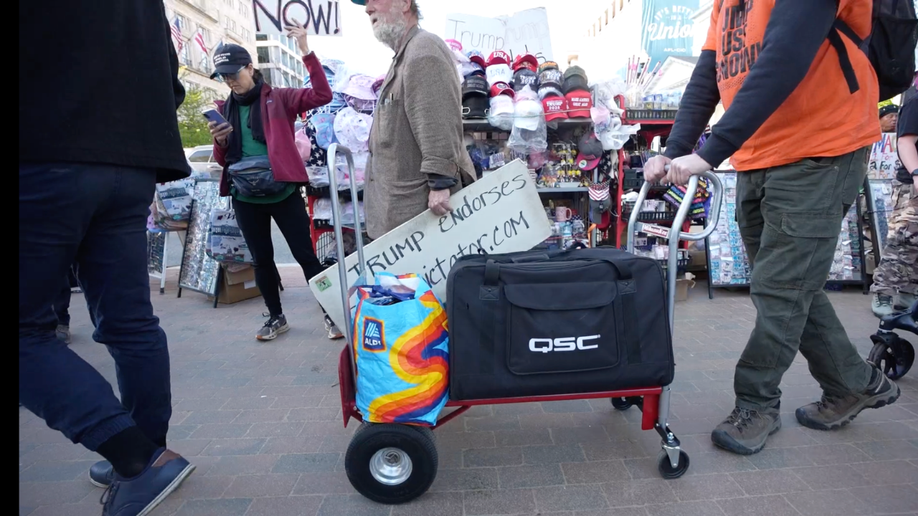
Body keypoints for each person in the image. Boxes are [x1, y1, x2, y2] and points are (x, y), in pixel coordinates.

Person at [644, 0, 899, 456]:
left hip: (821, 148)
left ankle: (756, 404)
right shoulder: (726, 4)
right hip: (760, 153)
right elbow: (708, 76)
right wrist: (675, 148)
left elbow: (786, 55)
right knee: (790, 284)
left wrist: (710, 151)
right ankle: (854, 383)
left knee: (780, 288)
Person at [20, 0, 195, 513]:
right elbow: (169, 73)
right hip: (129, 164)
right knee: (131, 323)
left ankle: (137, 458)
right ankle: (147, 453)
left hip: (44, 152)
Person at [208, 23, 338, 341]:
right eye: (224, 76)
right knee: (261, 260)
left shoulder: (279, 98)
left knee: (305, 256)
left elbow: (323, 94)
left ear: (250, 68)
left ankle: (331, 312)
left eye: (233, 73)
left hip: (283, 192)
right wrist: (220, 141)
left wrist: (305, 50)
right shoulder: (223, 109)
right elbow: (224, 160)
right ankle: (276, 317)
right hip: (245, 196)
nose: (230, 81)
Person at [355, 0, 476, 239]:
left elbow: (438, 121)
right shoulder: (406, 55)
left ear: (404, 3)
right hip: (405, 216)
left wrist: (441, 183)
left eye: (374, 0)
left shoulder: (423, 49)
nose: (368, 9)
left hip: (420, 218)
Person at [871, 75, 918, 316]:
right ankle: (883, 291)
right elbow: (905, 142)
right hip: (911, 185)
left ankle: (909, 293)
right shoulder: (915, 103)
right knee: (902, 240)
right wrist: (916, 174)